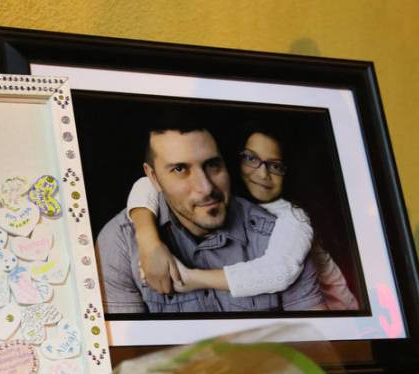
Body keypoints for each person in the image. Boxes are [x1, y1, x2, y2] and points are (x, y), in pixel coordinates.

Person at [96, 120, 325, 313]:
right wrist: (148, 241)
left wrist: (190, 278)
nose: (205, 188)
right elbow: (128, 359)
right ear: (154, 177)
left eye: (213, 165)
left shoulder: (286, 230)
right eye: (179, 169)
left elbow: (320, 342)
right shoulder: (121, 242)